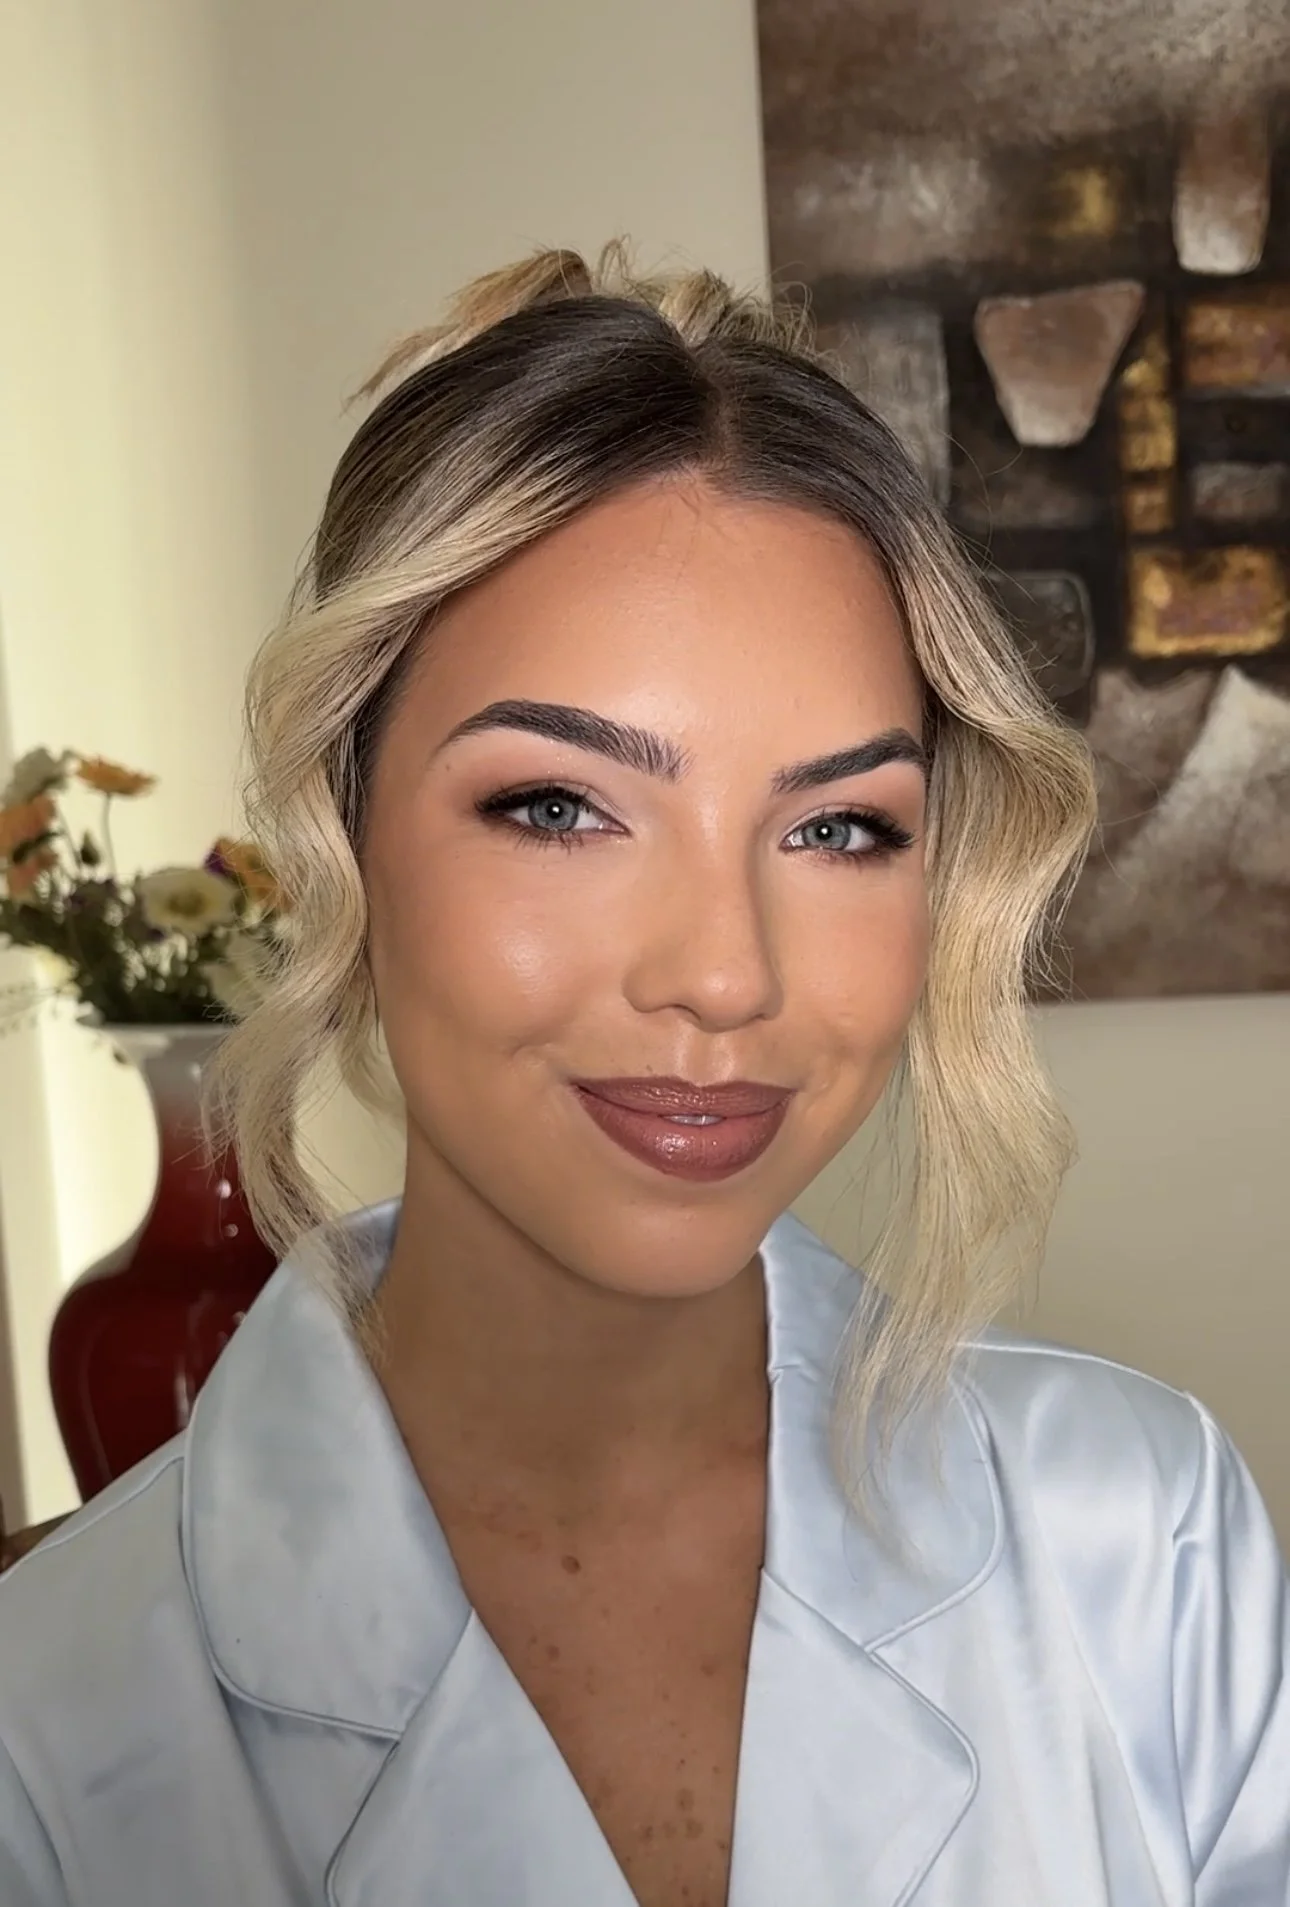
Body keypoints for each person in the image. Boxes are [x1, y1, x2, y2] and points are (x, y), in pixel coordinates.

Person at [0, 242, 1286, 1907]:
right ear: (343, 824)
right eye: (559, 806)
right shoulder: (49, 1723)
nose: (725, 971)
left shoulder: (1147, 1544)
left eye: (840, 827)